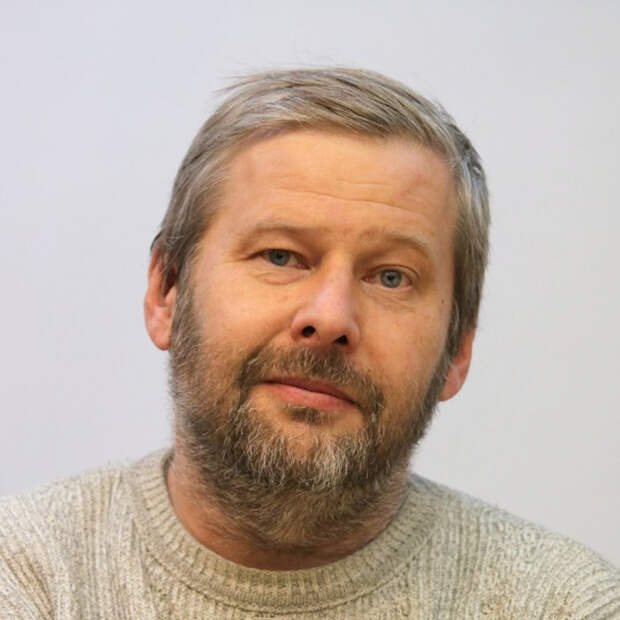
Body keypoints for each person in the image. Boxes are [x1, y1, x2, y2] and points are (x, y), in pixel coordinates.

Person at [1, 67, 618, 619]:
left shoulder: (562, 604)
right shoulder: (26, 576)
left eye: (391, 276)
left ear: (457, 350)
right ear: (167, 292)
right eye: (280, 255)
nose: (329, 318)